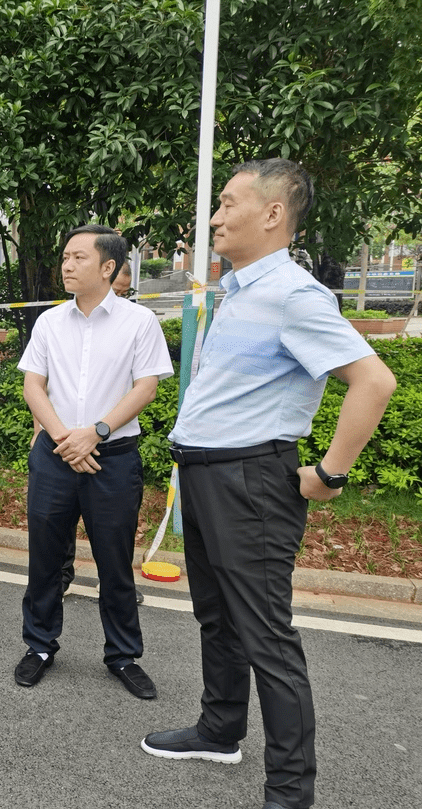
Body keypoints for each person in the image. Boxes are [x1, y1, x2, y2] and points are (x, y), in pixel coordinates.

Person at [141, 159, 397, 809]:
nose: (216, 216)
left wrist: (331, 473)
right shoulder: (243, 291)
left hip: (249, 480)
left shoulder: (293, 294)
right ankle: (220, 727)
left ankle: (289, 792)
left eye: (228, 204)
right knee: (217, 617)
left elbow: (374, 381)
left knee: (266, 636)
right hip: (204, 475)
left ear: (273, 214)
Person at [14, 224, 173, 699]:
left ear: (109, 267)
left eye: (78, 257)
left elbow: (146, 386)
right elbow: (33, 386)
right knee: (44, 557)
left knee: (114, 561)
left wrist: (97, 432)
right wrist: (67, 440)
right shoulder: (49, 322)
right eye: (65, 256)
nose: (66, 264)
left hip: (113, 458)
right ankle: (39, 646)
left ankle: (122, 655)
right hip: (56, 455)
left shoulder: (138, 323)